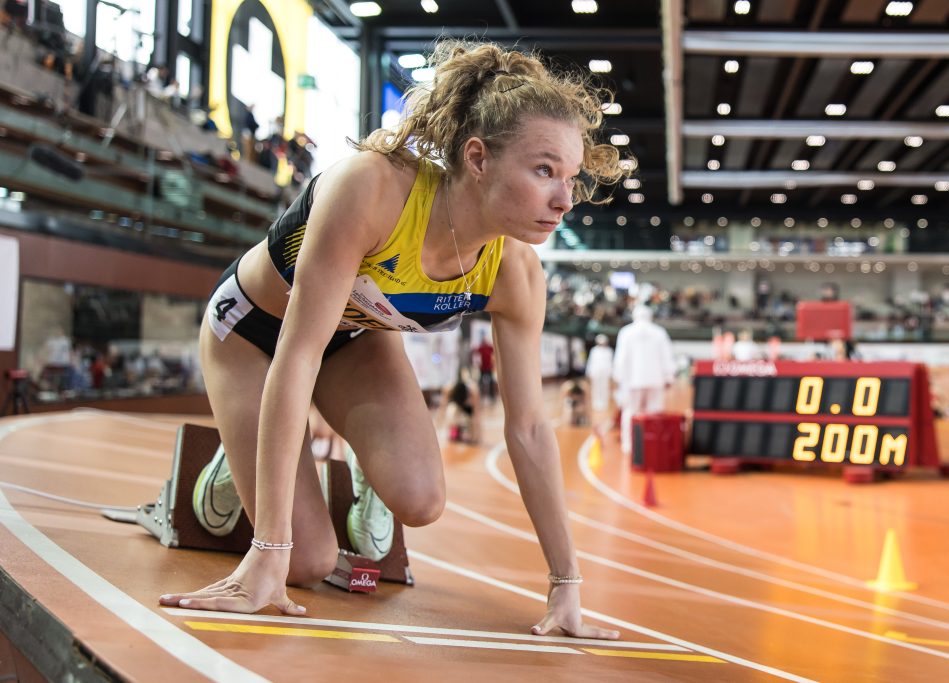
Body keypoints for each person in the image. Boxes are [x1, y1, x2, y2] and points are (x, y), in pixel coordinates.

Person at [158, 40, 624, 640]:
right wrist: (267, 548)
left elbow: (530, 427)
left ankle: (310, 464)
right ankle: (237, 463)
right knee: (302, 563)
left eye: (571, 177)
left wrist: (566, 587)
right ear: (477, 158)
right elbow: (296, 354)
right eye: (544, 171)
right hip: (255, 334)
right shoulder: (373, 190)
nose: (563, 200)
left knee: (423, 499)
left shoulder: (515, 272)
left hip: (351, 340)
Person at [612, 305, 676, 455]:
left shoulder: (626, 332)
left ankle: (629, 445)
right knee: (654, 413)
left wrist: (618, 377)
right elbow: (667, 356)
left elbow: (621, 358)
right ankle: (652, 444)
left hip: (632, 381)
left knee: (630, 413)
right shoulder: (659, 332)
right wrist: (669, 376)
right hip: (655, 380)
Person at [584, 334, 613, 413]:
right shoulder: (594, 350)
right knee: (595, 388)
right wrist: (588, 373)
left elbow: (610, 363)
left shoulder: (609, 351)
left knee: (604, 387)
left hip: (605, 373)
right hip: (596, 372)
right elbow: (591, 362)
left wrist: (611, 374)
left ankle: (604, 403)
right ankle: (596, 403)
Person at [473, 334, 496, 402]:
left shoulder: (489, 347)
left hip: (488, 367)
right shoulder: (481, 347)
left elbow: (495, 350)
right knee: (480, 382)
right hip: (483, 368)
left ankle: (492, 396)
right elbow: (475, 351)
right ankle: (479, 395)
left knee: (491, 381)